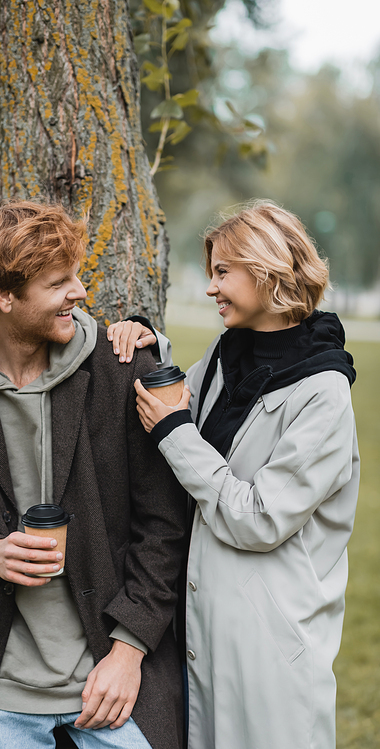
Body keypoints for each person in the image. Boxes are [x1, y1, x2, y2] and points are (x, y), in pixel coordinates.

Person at [0, 201, 187, 749]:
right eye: (60, 283)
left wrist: (129, 652)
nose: (79, 292)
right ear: (4, 296)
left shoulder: (122, 366)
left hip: (116, 682)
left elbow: (166, 525)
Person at [108, 201, 360, 749]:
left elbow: (259, 519)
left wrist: (173, 431)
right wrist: (149, 344)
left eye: (223, 272)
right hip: (203, 629)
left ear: (266, 268)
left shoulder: (323, 392)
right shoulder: (232, 352)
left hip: (271, 648)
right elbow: (186, 398)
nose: (210, 288)